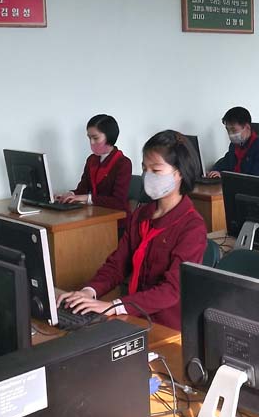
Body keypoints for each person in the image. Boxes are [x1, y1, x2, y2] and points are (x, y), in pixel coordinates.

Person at [58, 130, 207, 329]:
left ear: (180, 172)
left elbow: (172, 289)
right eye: (145, 169)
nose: (148, 176)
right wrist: (89, 291)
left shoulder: (192, 226)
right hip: (133, 317)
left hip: (166, 327)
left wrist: (114, 306)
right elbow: (117, 264)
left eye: (156, 170)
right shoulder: (141, 215)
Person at [56, 114, 132, 229]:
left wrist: (87, 198)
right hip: (95, 216)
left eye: (95, 138)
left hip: (117, 222)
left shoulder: (123, 163)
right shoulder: (91, 160)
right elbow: (82, 189)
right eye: (89, 138)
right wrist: (70, 194)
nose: (91, 142)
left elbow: (118, 202)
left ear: (109, 137)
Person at [207, 106, 259, 178]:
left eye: (233, 130)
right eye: (228, 130)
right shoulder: (234, 145)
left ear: (247, 127)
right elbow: (225, 162)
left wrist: (226, 176)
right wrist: (215, 171)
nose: (230, 134)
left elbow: (256, 178)